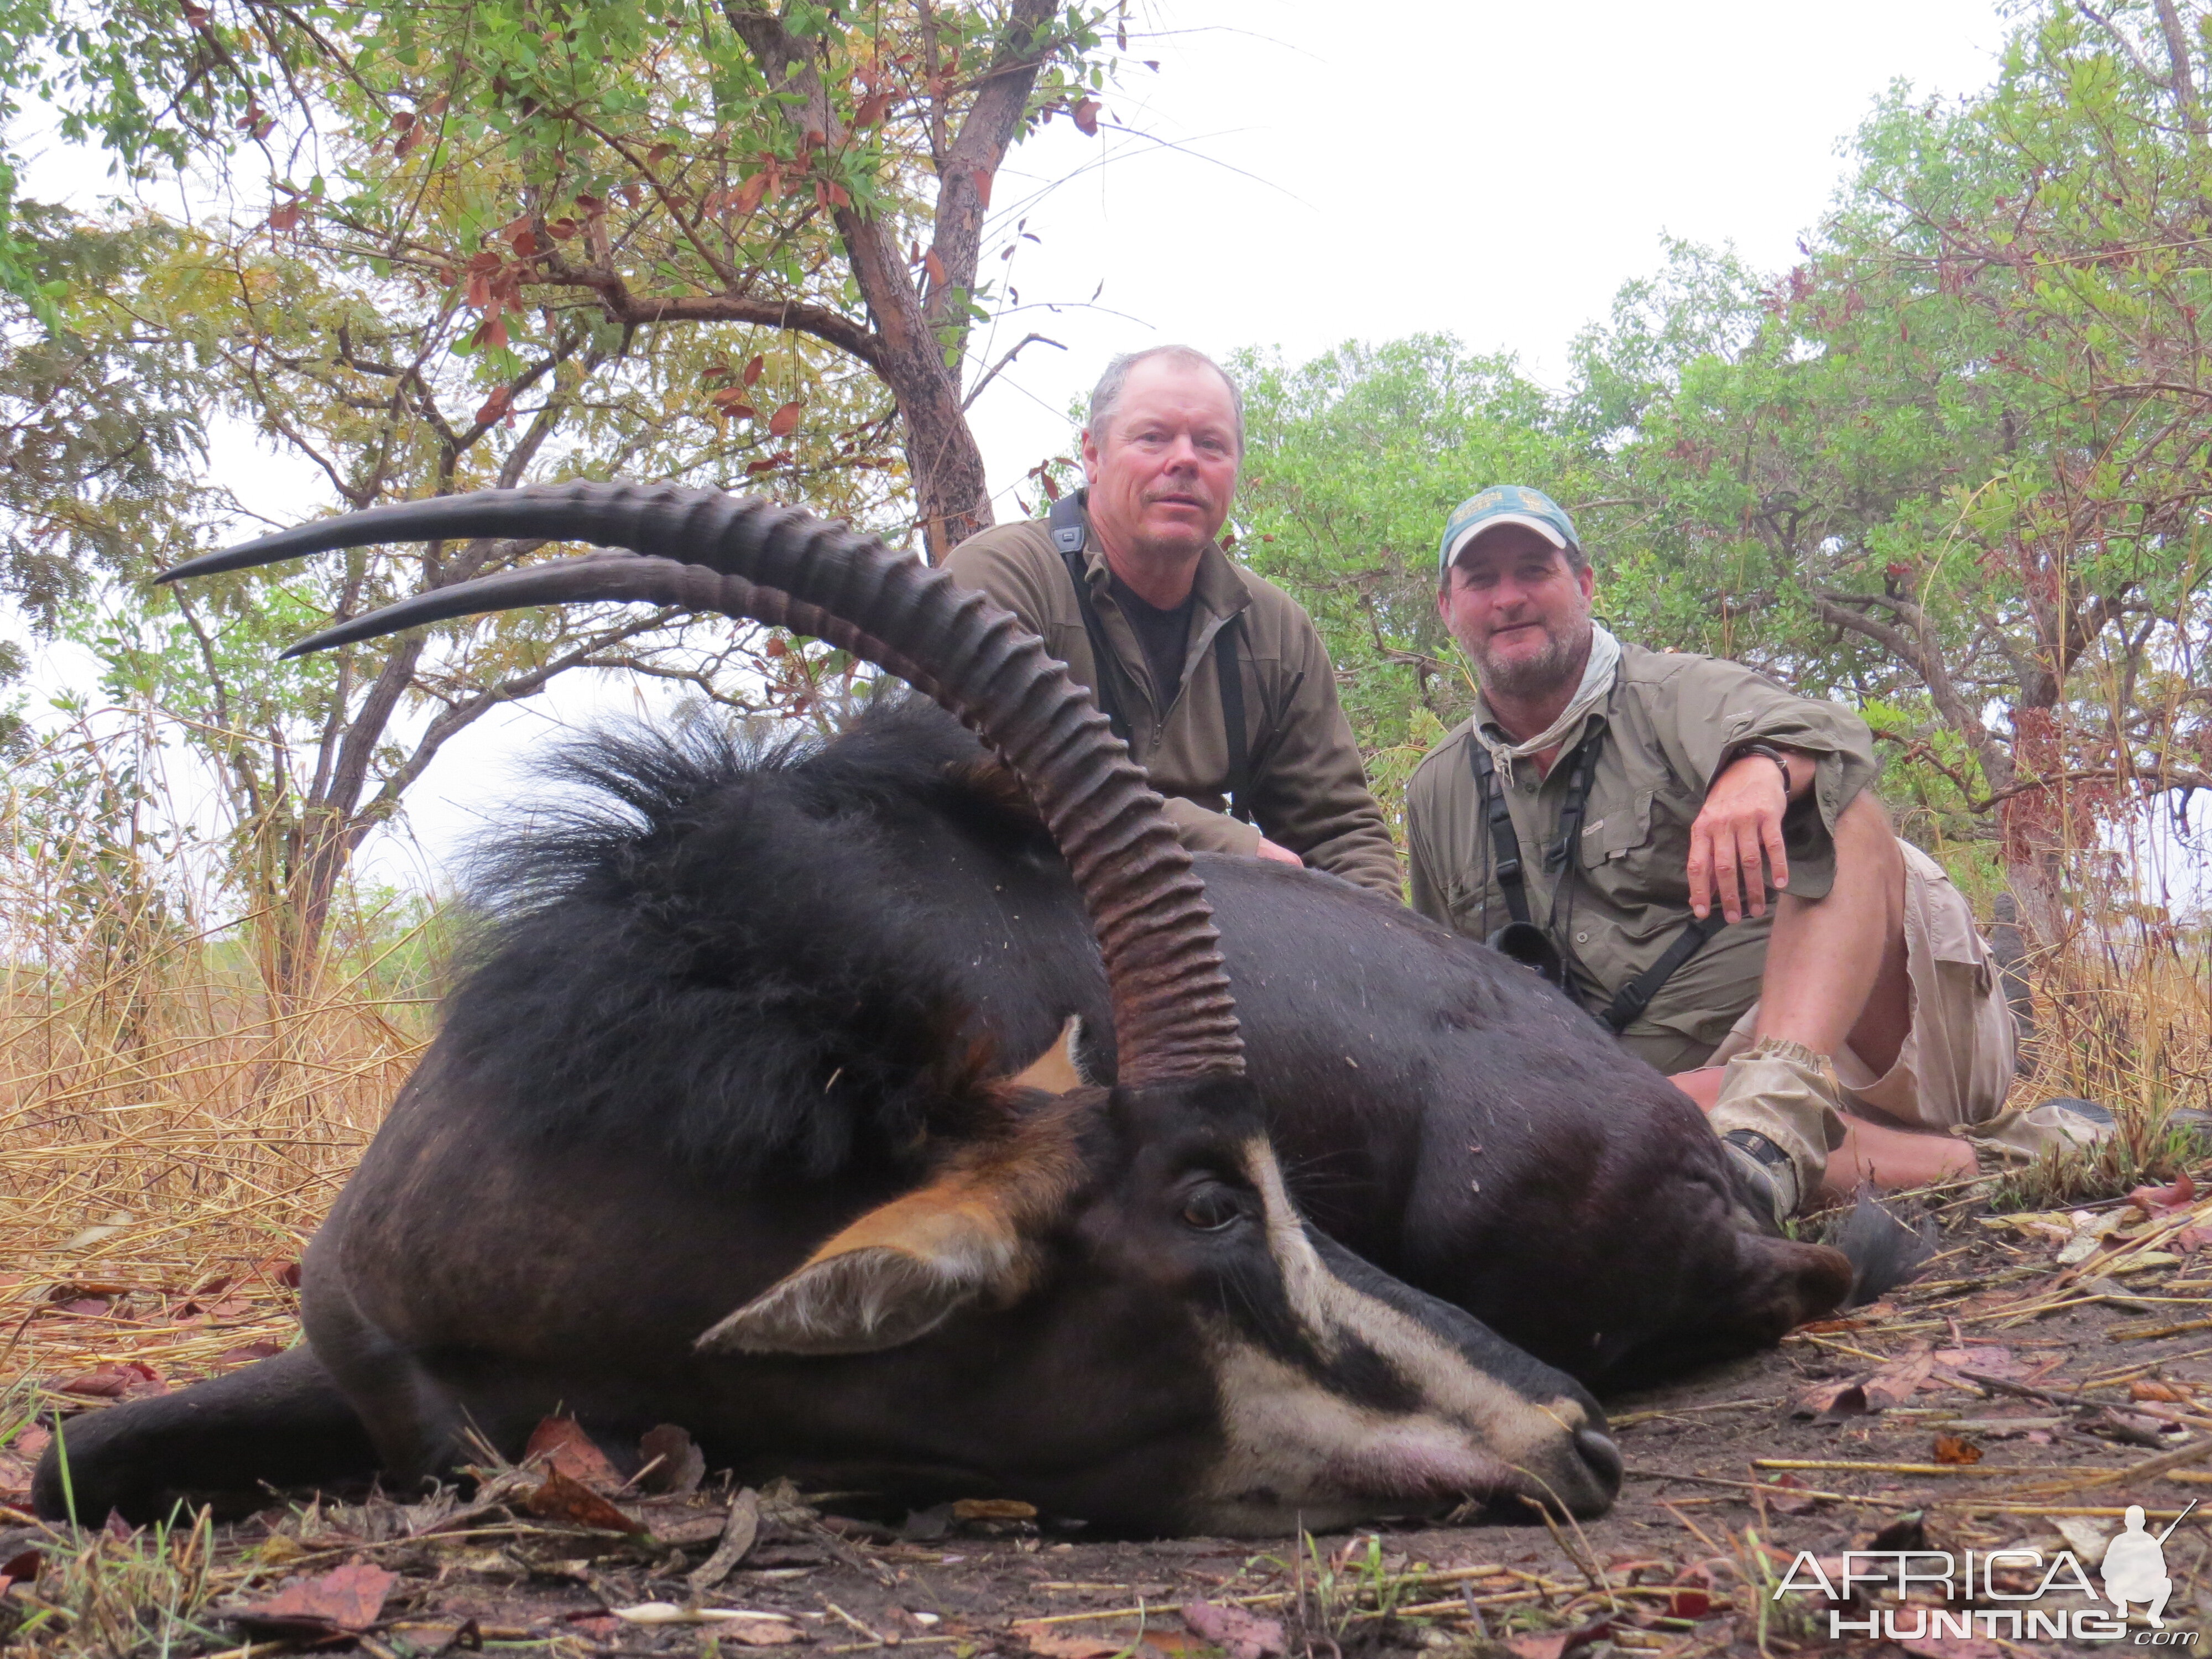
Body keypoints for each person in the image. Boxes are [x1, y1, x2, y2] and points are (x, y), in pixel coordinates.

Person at [1404, 485, 2095, 1227]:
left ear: (1584, 584)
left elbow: (1835, 743)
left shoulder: (1674, 693)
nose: (1509, 598)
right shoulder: (1438, 790)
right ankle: (2007, 1157)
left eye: (1533, 571)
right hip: (1681, 1100)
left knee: (1837, 808)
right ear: (1448, 609)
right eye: (1482, 580)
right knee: (1639, 1118)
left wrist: (1761, 768)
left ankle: (1773, 1110)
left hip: (1889, 1039)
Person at [944, 347, 1402, 898]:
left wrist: (1381, 956)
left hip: (1205, 932)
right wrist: (1233, 848)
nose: (1184, 461)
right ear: (1093, 455)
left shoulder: (1275, 629)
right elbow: (985, 766)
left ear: (1234, 468)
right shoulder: (1001, 576)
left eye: (1210, 444)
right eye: (1153, 438)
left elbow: (1341, 834)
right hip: (1023, 911)